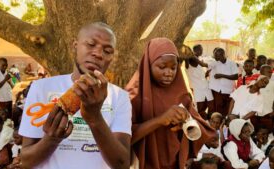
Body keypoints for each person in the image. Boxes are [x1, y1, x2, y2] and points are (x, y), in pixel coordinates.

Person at [19, 22, 131, 169]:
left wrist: (95, 118)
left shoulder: (119, 97)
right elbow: (26, 161)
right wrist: (52, 139)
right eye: (91, 44)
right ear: (75, 46)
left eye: (107, 50)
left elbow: (121, 164)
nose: (98, 54)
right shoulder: (42, 88)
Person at [126, 38, 215, 169]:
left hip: (174, 162)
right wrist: (161, 120)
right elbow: (123, 137)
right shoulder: (133, 95)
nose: (169, 73)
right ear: (149, 64)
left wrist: (186, 123)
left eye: (173, 68)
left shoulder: (182, 95)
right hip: (144, 163)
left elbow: (202, 128)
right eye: (162, 67)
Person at [194, 48, 239, 117]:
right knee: (216, 111)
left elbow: (236, 76)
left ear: (222, 55)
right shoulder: (215, 62)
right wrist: (193, 56)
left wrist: (222, 75)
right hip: (216, 90)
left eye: (216, 55)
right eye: (214, 55)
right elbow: (204, 65)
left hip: (228, 91)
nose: (214, 57)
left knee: (226, 111)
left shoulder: (231, 63)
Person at [185, 44, 214, 119]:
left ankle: (208, 122)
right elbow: (203, 65)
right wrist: (215, 64)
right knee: (201, 109)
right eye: (200, 49)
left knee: (210, 106)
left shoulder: (196, 59)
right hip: (197, 88)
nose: (201, 51)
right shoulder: (192, 58)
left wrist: (206, 74)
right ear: (194, 51)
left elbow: (199, 75)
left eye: (201, 49)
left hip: (205, 86)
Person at [251, 65, 274, 130]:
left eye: (271, 72)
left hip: (268, 114)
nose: (271, 73)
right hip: (254, 115)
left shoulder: (272, 84)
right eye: (269, 72)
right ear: (261, 72)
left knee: (267, 134)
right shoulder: (253, 83)